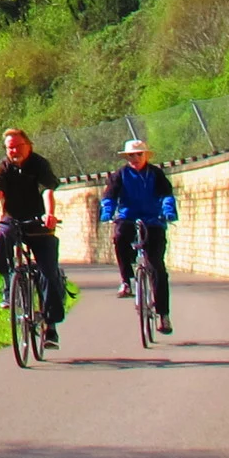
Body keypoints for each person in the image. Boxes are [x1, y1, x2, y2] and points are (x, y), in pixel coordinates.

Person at [0, 127, 66, 347]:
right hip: (13, 218)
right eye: (10, 147)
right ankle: (8, 282)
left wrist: (50, 214)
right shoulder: (2, 167)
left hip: (39, 220)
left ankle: (50, 326)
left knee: (48, 273)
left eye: (18, 146)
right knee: (1, 239)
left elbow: (47, 191)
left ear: (28, 145)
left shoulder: (40, 164)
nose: (14, 151)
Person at [100, 137, 177, 333]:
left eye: (138, 154)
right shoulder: (120, 175)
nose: (135, 158)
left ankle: (163, 315)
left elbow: (166, 194)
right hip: (128, 217)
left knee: (157, 268)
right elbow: (109, 196)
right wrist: (107, 211)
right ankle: (126, 281)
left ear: (145, 156)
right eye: (131, 155)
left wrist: (168, 210)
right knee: (119, 237)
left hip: (152, 220)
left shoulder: (156, 174)